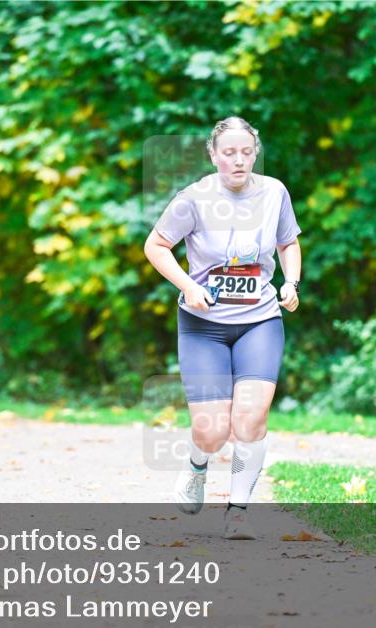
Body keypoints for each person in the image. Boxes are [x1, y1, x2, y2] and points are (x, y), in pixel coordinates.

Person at [144, 116, 301, 539]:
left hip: (259, 321)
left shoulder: (274, 192)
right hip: (203, 325)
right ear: (213, 155)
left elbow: (288, 241)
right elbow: (155, 246)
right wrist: (188, 285)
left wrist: (291, 281)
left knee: (250, 418)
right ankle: (197, 467)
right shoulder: (193, 198)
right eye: (229, 153)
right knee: (212, 431)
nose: (239, 160)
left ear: (255, 154)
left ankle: (238, 512)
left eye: (246, 152)